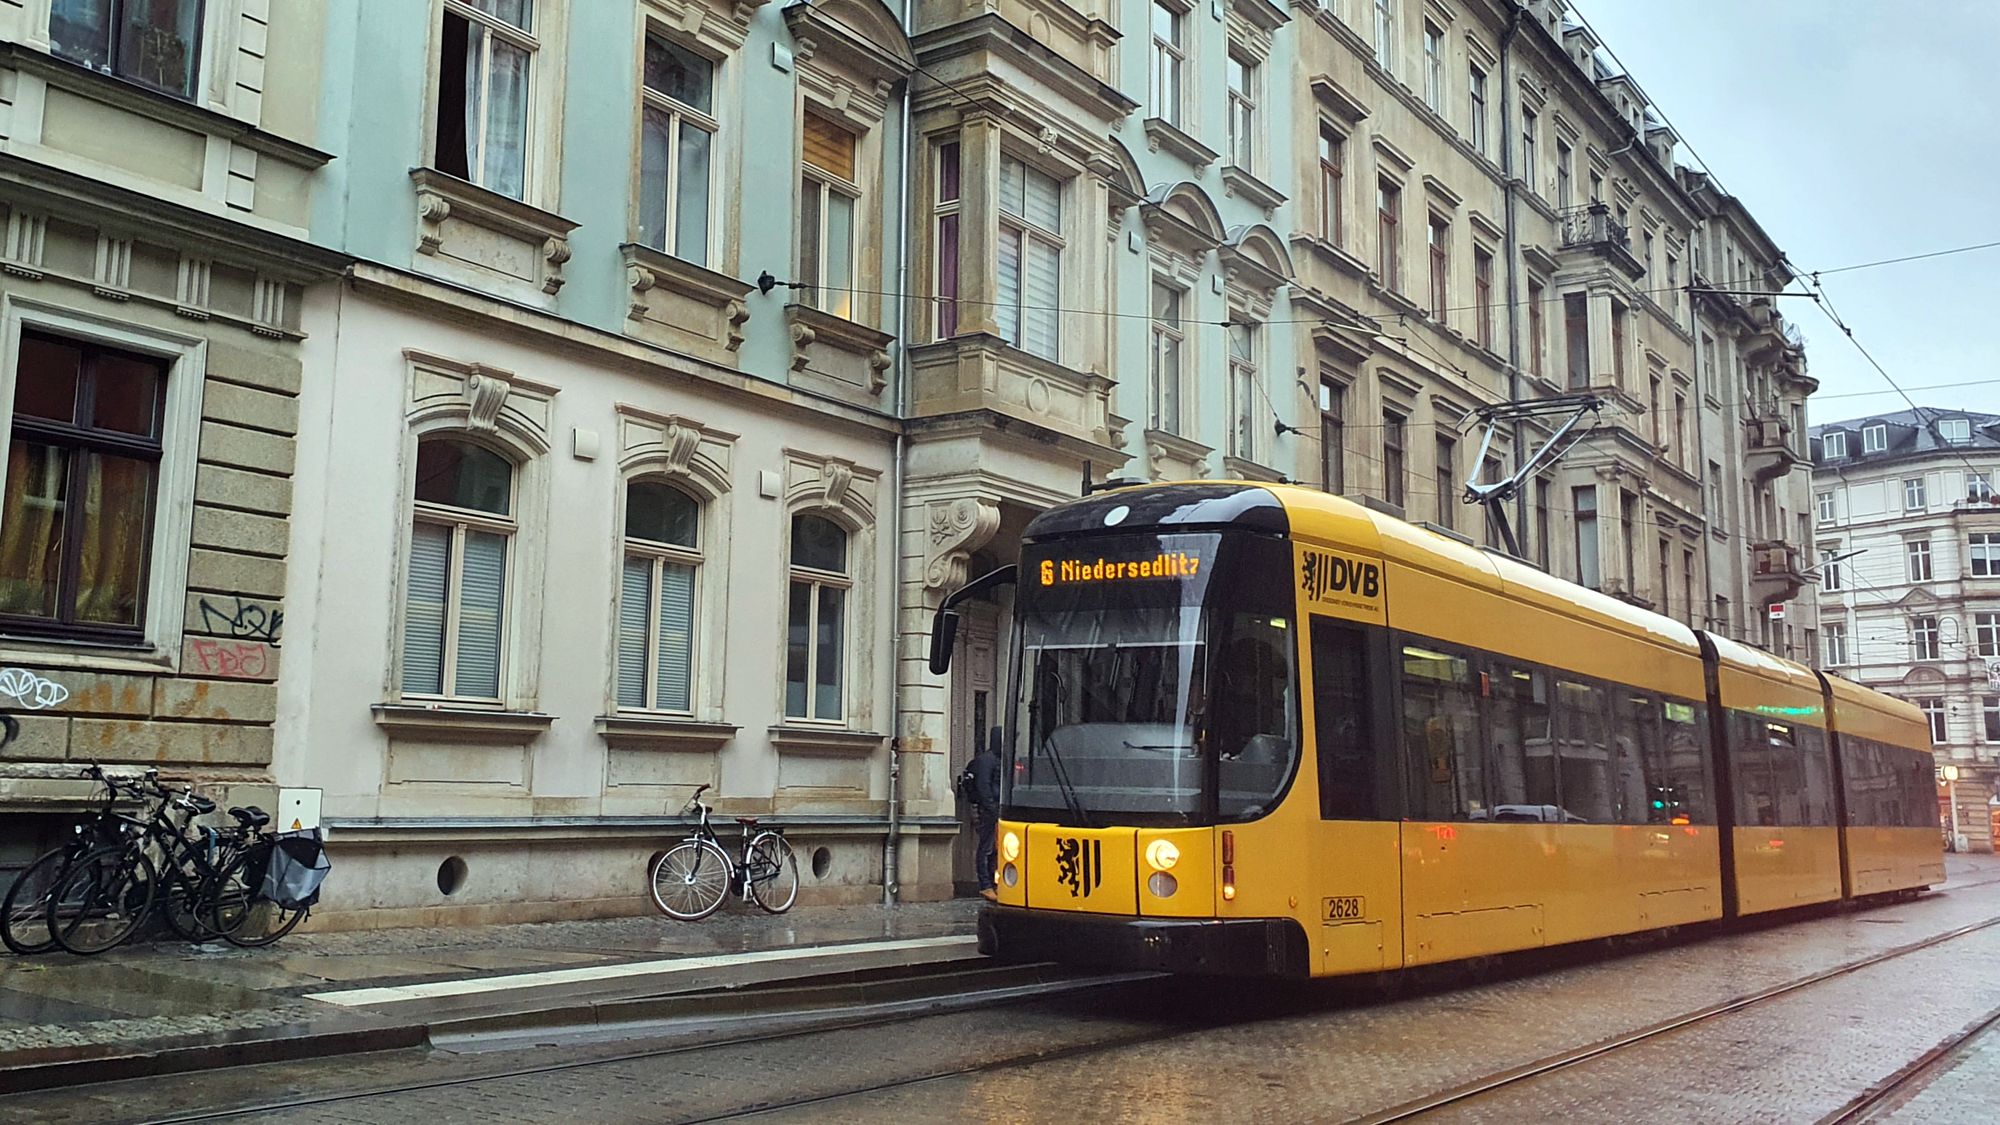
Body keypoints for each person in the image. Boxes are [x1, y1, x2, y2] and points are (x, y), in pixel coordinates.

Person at [966, 727, 1004, 900]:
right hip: (989, 810)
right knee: (986, 848)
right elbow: (984, 787)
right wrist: (992, 808)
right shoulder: (987, 760)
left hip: (996, 809)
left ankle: (992, 883)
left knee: (995, 848)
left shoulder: (996, 759)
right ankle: (985, 884)